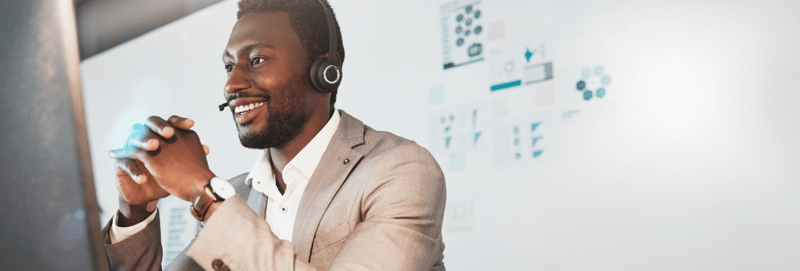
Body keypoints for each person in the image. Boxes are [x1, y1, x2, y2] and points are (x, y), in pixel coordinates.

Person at [102, 0, 447, 270]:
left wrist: (202, 190)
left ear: (325, 71)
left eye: (256, 60)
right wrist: (136, 212)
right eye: (228, 66)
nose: (231, 84)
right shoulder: (235, 195)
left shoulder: (401, 170)